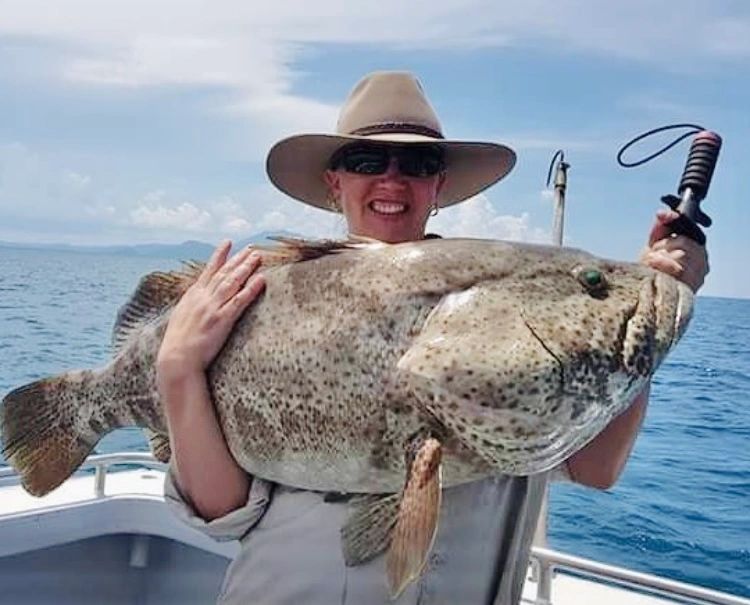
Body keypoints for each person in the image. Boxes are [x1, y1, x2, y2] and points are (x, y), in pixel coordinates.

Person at [158, 71, 709, 605]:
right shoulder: (249, 304)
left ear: (438, 183)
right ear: (335, 181)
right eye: (367, 161)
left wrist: (645, 321)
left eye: (419, 164)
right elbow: (222, 511)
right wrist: (177, 369)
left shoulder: (500, 305)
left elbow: (596, 468)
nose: (393, 180)